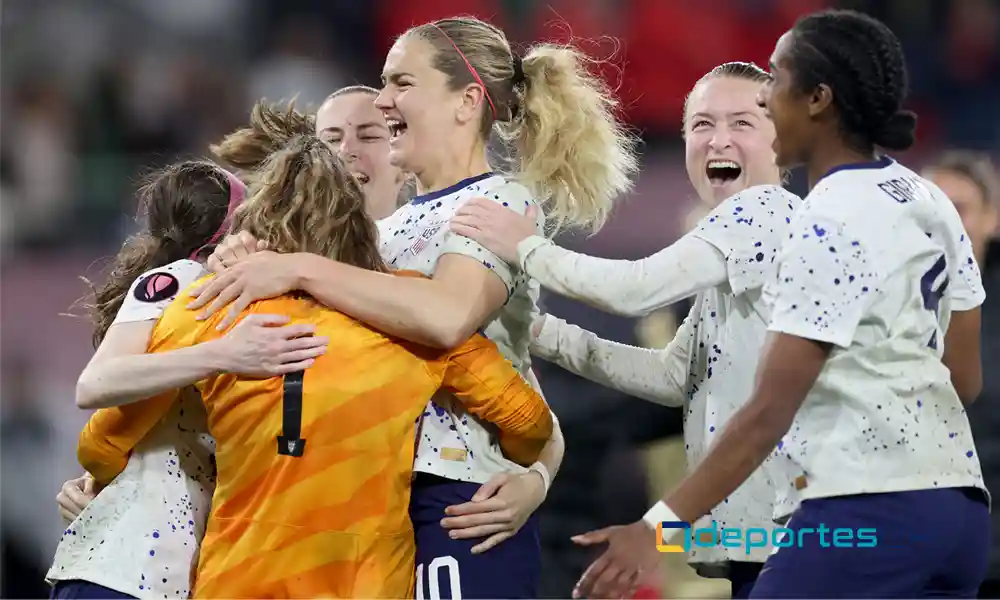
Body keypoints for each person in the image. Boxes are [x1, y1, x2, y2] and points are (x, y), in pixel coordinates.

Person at [189, 15, 639, 599]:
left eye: (401, 82)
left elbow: (447, 318)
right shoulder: (382, 234)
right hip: (374, 508)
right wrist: (241, 254)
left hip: (458, 500)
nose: (382, 99)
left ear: (466, 100)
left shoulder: (498, 200)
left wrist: (534, 476)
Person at [573, 10, 989, 599]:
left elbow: (767, 416)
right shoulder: (926, 197)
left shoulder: (822, 219)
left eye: (775, 80)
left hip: (859, 516)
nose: (767, 98)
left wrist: (655, 529)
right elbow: (963, 380)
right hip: (958, 514)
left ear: (818, 98)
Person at [75, 132, 555, 598]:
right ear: (361, 224)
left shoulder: (210, 305)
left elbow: (102, 441)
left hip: (238, 579)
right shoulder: (410, 312)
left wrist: (101, 477)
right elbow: (529, 423)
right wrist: (528, 472)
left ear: (257, 222)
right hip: (364, 583)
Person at [450, 61, 799, 598]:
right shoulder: (742, 258)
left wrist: (525, 245)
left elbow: (633, 289)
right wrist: (536, 330)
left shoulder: (765, 211)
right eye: (701, 125)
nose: (718, 141)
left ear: (785, 140)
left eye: (742, 124)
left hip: (804, 533)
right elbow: (673, 377)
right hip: (766, 534)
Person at [46, 159, 326, 600]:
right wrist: (224, 354)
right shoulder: (183, 279)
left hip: (176, 571)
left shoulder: (245, 299)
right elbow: (96, 382)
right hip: (130, 565)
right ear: (230, 228)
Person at [924, 152, 1000, 599]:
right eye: (934, 209)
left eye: (962, 208)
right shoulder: (874, 306)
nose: (947, 223)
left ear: (992, 219)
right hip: (916, 553)